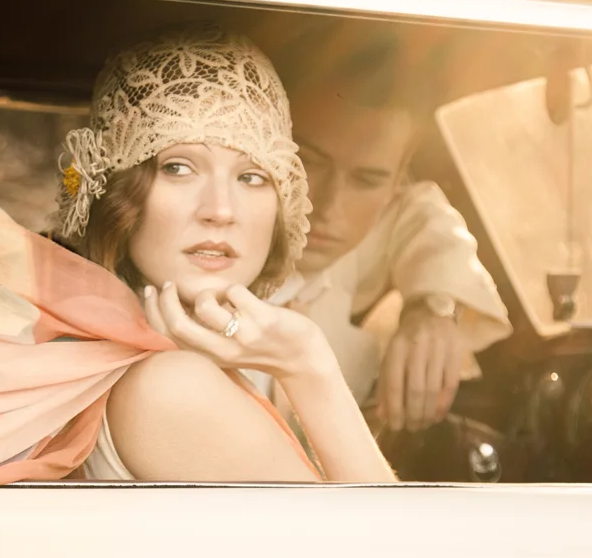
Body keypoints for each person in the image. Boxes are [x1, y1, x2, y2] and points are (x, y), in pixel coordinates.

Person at [55, 26, 394, 483]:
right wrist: (311, 366)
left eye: (252, 177)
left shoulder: (130, 362)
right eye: (178, 168)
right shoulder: (174, 386)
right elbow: (386, 530)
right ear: (118, 192)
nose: (220, 210)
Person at [262, 24, 513, 434]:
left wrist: (433, 308)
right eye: (308, 163)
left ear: (396, 183)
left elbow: (423, 212)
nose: (327, 207)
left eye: (367, 180)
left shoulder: (361, 241)